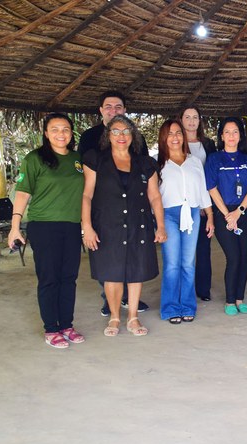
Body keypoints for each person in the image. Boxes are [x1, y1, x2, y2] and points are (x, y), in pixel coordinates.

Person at [81, 115, 167, 337]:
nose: (121, 136)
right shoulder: (95, 159)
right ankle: (115, 316)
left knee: (136, 271)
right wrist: (87, 227)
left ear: (133, 135)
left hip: (138, 223)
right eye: (116, 131)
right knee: (112, 272)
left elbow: (155, 197)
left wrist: (160, 226)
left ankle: (133, 317)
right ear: (108, 135)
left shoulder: (145, 163)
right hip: (107, 224)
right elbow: (87, 195)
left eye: (126, 131)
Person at [8, 113, 85, 349]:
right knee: (49, 278)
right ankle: (51, 328)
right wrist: (14, 227)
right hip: (44, 226)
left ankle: (67, 325)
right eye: (55, 129)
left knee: (69, 278)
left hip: (72, 226)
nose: (61, 133)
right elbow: (22, 193)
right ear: (46, 133)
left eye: (65, 129)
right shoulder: (35, 159)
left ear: (71, 133)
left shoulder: (77, 159)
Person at [79, 90, 150, 315]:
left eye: (118, 107)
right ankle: (109, 300)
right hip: (105, 207)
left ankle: (130, 299)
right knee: (108, 255)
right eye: (108, 107)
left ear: (125, 110)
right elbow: (85, 179)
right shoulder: (89, 137)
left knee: (132, 253)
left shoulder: (136, 137)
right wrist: (86, 223)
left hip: (132, 203)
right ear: (101, 110)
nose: (113, 111)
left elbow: (145, 169)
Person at [157, 119, 213, 324]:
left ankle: (187, 306)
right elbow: (153, 196)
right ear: (164, 137)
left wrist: (211, 217)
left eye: (178, 133)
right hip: (168, 214)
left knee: (188, 263)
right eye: (170, 133)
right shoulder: (158, 163)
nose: (175, 137)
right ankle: (171, 307)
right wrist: (158, 224)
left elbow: (203, 191)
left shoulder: (194, 161)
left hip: (192, 214)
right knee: (172, 263)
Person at [205, 117, 247, 316]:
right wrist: (228, 214)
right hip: (223, 213)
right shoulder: (214, 159)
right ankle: (229, 301)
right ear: (221, 136)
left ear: (240, 135)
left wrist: (239, 212)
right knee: (233, 256)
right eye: (227, 132)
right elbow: (211, 188)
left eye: (235, 131)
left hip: (245, 212)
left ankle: (239, 299)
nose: (231, 136)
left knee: (244, 258)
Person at [180, 106, 216, 302]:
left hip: (203, 203)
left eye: (195, 117)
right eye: (188, 117)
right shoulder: (174, 142)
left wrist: (207, 206)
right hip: (181, 203)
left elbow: (211, 175)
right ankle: (183, 289)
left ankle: (203, 289)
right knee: (182, 251)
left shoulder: (208, 145)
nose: (191, 121)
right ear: (181, 119)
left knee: (203, 248)